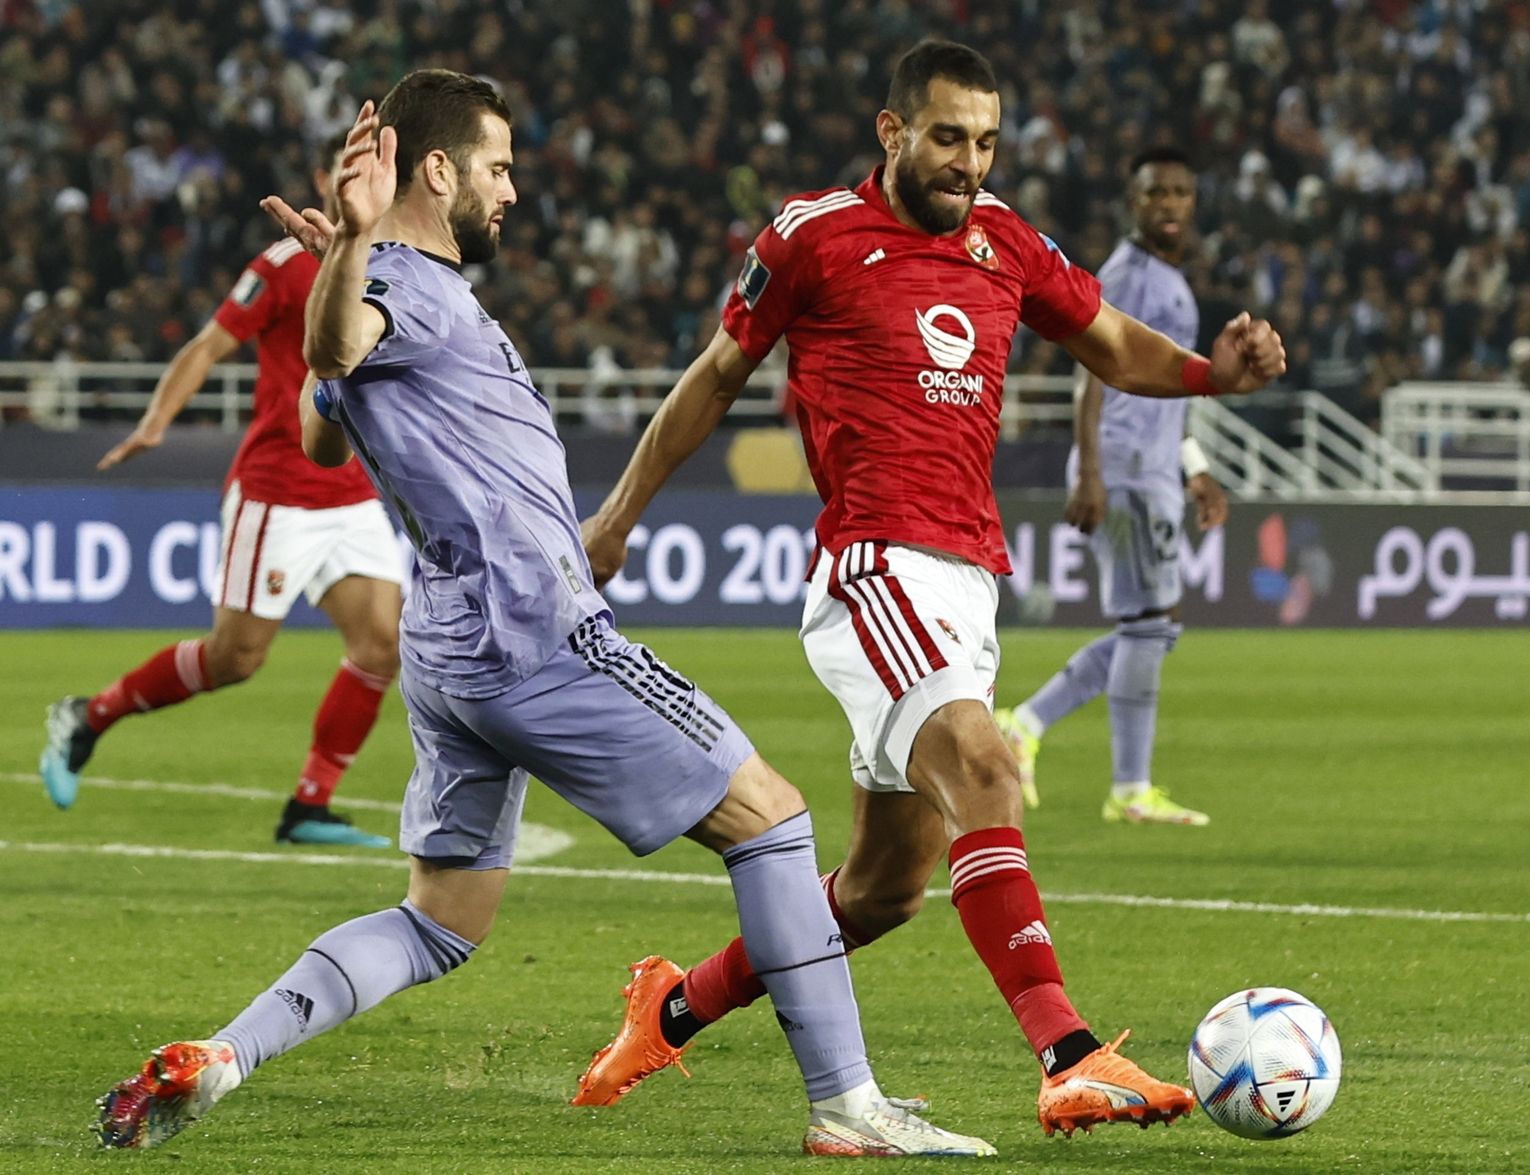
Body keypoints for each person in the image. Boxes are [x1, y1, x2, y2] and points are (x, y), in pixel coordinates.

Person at [94, 72, 993, 1160]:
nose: (512, 189)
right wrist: (349, 256)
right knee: (772, 819)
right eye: (498, 166)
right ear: (439, 170)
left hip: (448, 644)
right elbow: (333, 355)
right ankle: (848, 1105)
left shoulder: (392, 282)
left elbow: (323, 419)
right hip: (536, 633)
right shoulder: (406, 287)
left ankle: (225, 1054)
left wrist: (345, 261)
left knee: (438, 920)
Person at [574, 41, 1285, 1138]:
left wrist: (1209, 375)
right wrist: (617, 518)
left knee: (878, 891)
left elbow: (1106, 341)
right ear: (892, 130)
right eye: (948, 137)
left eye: (986, 142)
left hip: (967, 576)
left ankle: (670, 1005)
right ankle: (1068, 1051)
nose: (968, 163)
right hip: (874, 563)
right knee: (990, 762)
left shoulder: (1005, 240)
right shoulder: (812, 236)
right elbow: (716, 375)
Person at [39, 135, 400, 849]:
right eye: (345, 169)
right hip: (277, 490)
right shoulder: (283, 264)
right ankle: (90, 715)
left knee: (381, 643)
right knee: (236, 657)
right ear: (323, 178)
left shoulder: (395, 267)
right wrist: (155, 422)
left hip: (352, 489)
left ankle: (309, 805)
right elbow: (208, 345)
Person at [995, 147, 1226, 823]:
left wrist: (1194, 464)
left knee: (1150, 626)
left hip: (1150, 468)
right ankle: (1128, 788)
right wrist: (1090, 467)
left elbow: (1163, 386)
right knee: (1151, 624)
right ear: (1135, 202)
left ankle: (1029, 725)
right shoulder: (1129, 274)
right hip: (1123, 467)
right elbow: (1091, 370)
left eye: (1182, 192)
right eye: (1158, 192)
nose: (1171, 204)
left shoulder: (1171, 281)